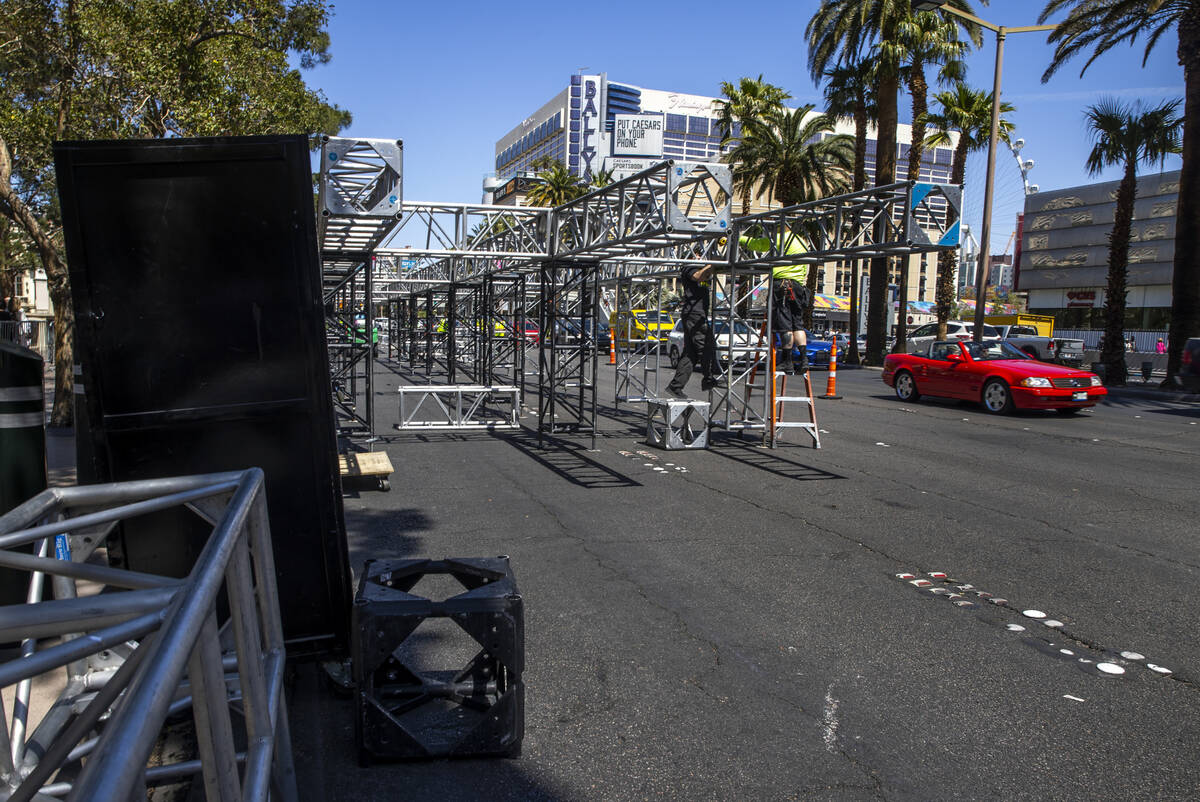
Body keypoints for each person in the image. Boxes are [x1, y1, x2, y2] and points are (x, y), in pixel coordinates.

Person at [665, 250, 725, 399]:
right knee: (706, 345)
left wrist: (713, 264)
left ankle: (675, 386)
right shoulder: (689, 268)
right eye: (697, 255)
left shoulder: (700, 268)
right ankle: (708, 378)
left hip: (695, 313)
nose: (699, 257)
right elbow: (698, 276)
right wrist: (711, 263)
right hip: (694, 313)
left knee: (690, 354)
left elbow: (705, 274)